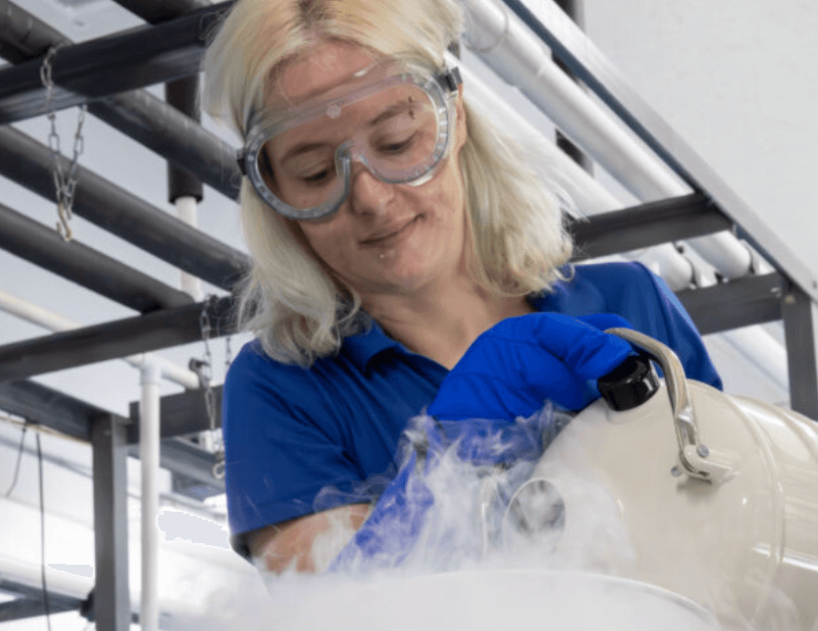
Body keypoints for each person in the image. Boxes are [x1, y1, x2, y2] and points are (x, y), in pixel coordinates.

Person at [202, 0, 722, 573]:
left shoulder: (633, 304)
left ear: (457, 117)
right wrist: (444, 466)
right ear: (273, 196)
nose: (371, 199)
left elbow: (760, 522)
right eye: (316, 174)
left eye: (398, 141)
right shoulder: (283, 392)